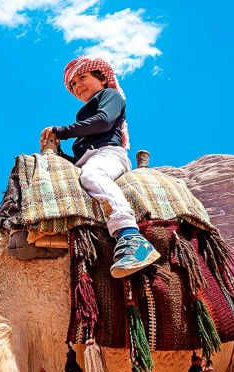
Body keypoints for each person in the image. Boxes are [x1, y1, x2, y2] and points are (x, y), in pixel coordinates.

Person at [39, 56, 159, 278]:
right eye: (73, 84)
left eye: (82, 77)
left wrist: (63, 131)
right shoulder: (85, 119)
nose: (77, 86)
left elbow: (104, 121)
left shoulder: (110, 96)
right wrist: (57, 152)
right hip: (90, 159)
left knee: (93, 176)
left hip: (108, 154)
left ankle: (131, 237)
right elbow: (80, 159)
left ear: (102, 79)